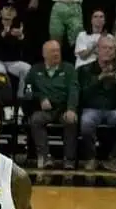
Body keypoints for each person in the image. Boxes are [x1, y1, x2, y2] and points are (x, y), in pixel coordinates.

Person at [78, 35, 116, 171]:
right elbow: (82, 95)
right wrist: (100, 78)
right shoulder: (85, 69)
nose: (108, 51)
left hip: (113, 110)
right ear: (98, 50)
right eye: (104, 48)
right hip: (91, 109)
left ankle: (113, 157)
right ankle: (91, 158)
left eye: (111, 48)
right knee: (86, 123)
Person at [25, 39, 79, 169]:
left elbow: (74, 90)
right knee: (36, 120)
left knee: (71, 121)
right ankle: (46, 156)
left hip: (64, 108)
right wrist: (40, 98)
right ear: (44, 54)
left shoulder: (69, 69)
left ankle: (69, 159)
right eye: (52, 51)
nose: (56, 54)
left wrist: (71, 109)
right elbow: (27, 92)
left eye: (57, 51)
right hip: (45, 111)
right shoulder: (35, 70)